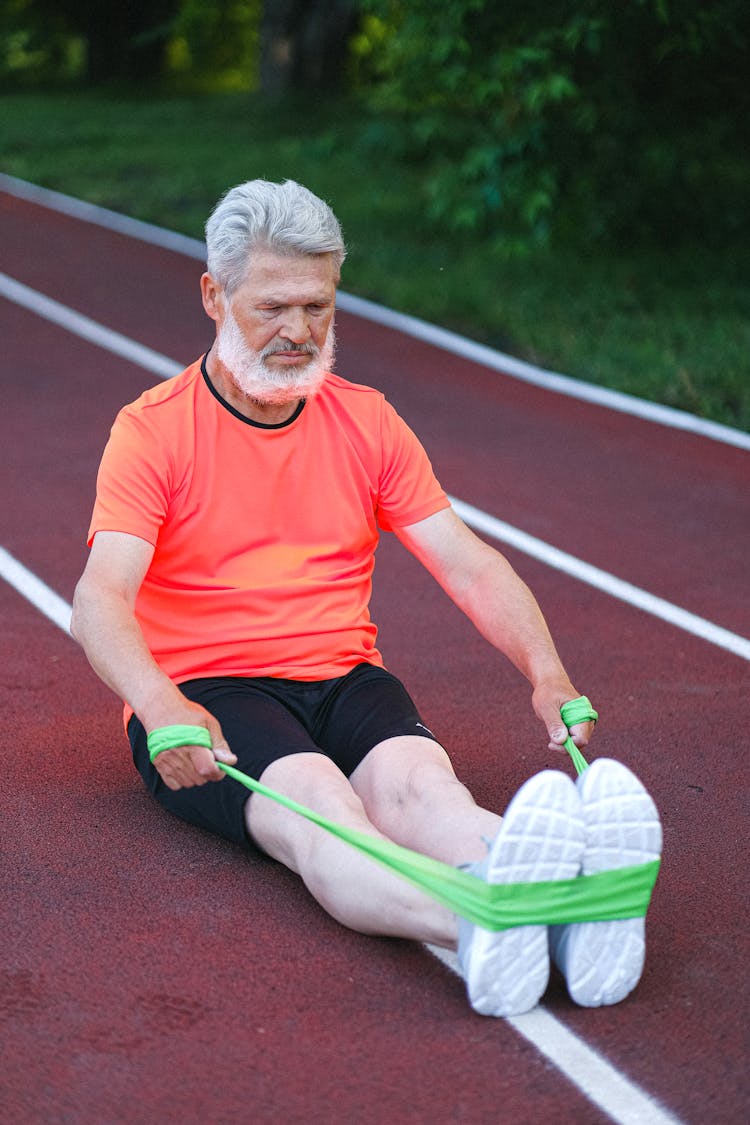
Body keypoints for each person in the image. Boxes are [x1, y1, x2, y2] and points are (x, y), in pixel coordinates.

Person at [71, 179, 661, 1018]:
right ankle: (482, 922)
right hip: (207, 694)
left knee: (426, 793)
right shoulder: (153, 430)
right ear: (213, 294)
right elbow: (100, 598)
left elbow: (467, 562)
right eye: (273, 306)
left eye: (318, 305)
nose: (299, 331)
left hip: (345, 675)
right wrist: (158, 703)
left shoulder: (367, 421)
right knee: (324, 811)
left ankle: (567, 895)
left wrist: (548, 673)